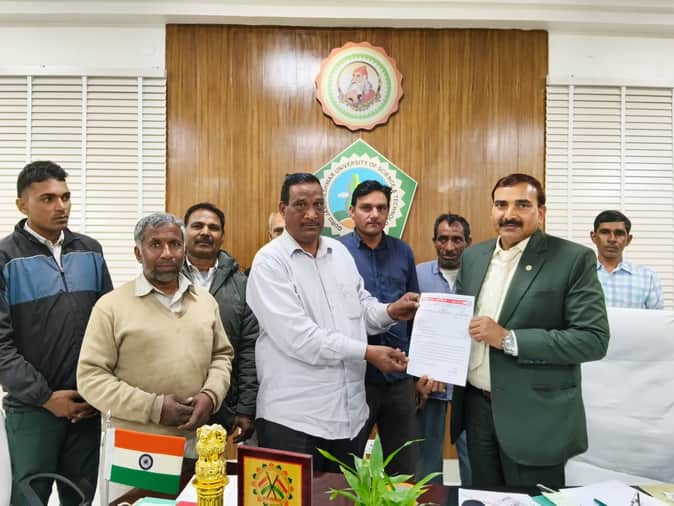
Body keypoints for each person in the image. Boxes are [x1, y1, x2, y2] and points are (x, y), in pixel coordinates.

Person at [246, 173, 419, 473]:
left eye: (317, 205)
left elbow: (362, 308)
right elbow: (301, 338)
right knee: (295, 497)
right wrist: (367, 352)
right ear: (283, 208)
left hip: (348, 418)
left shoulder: (338, 253)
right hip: (294, 421)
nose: (311, 214)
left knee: (341, 496)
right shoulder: (270, 262)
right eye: (301, 205)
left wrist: (391, 311)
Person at [450, 173, 610, 488]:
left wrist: (508, 339)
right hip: (477, 409)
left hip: (535, 416)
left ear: (541, 212)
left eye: (522, 205)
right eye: (501, 205)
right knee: (485, 497)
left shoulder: (572, 259)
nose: (509, 214)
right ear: (492, 210)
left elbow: (593, 340)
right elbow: (462, 325)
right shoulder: (473, 257)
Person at [0, 160, 112, 505]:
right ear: (22, 204)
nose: (60, 206)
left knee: (81, 498)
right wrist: (46, 397)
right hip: (33, 410)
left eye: (65, 197)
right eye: (47, 199)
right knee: (30, 499)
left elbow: (108, 327)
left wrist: (97, 389)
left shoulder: (90, 251)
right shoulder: (5, 258)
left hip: (86, 405)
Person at [77, 213, 234, 455]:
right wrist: (154, 407)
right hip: (134, 446)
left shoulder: (205, 302)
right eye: (156, 244)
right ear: (138, 253)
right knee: (136, 485)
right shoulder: (111, 307)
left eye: (175, 244)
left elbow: (221, 356)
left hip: (195, 442)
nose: (167, 253)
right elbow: (91, 378)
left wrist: (211, 396)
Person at [340, 179, 419, 476]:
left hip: (399, 377)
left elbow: (416, 313)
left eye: (381, 208)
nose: (374, 214)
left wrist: (419, 368)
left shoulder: (403, 251)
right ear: (352, 211)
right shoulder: (337, 252)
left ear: (388, 212)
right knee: (347, 465)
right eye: (366, 207)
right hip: (355, 377)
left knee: (403, 467)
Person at [183, 202, 259, 443]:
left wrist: (246, 408)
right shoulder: (166, 278)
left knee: (210, 465)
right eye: (197, 226)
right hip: (173, 402)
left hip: (221, 405)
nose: (205, 232)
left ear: (222, 236)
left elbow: (249, 348)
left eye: (213, 228)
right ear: (184, 231)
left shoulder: (242, 284)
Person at [415, 213, 472, 485]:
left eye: (457, 240)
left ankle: (474, 500)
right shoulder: (417, 275)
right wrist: (416, 377)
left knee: (472, 453)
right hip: (429, 381)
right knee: (426, 455)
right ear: (434, 241)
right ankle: (429, 501)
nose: (449, 247)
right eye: (443, 239)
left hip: (469, 382)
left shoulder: (479, 275)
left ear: (468, 242)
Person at [591, 210, 664, 309]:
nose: (612, 239)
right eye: (605, 232)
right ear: (594, 237)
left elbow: (658, 317)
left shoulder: (648, 277)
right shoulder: (579, 275)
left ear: (628, 239)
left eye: (619, 233)